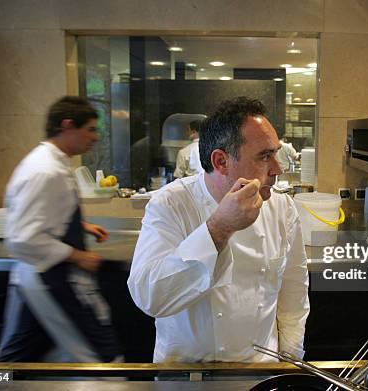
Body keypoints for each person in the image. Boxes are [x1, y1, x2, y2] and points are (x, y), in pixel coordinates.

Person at [128, 97, 310, 362]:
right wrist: (219, 228)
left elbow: (294, 296)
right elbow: (150, 297)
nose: (277, 169)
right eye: (265, 156)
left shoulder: (282, 209)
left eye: (276, 153)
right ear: (222, 161)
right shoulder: (172, 203)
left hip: (259, 373)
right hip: (186, 376)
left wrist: (290, 362)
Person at [0, 96, 122, 363]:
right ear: (67, 125)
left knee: (17, 358)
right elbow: (22, 237)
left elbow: (41, 216)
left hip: (38, 275)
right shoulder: (46, 170)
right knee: (102, 358)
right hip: (50, 277)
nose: (95, 137)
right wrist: (79, 256)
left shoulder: (51, 162)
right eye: (90, 129)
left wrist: (80, 226)